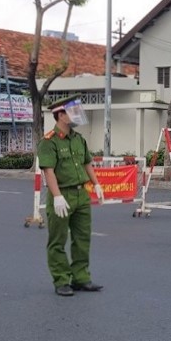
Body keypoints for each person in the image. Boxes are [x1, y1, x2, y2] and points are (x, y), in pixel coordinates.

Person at [37, 95, 105, 296]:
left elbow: (87, 164)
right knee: (58, 241)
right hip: (62, 194)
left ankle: (81, 278)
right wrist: (57, 196)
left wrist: (96, 184)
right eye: (72, 111)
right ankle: (61, 280)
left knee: (82, 238)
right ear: (60, 115)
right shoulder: (49, 142)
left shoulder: (78, 139)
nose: (76, 115)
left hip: (81, 194)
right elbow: (48, 171)